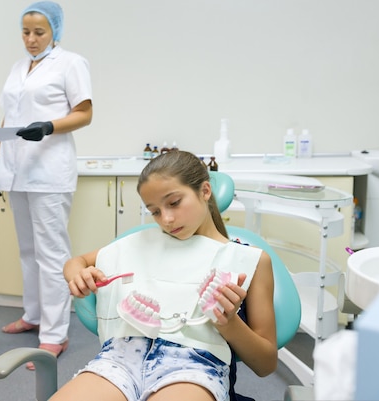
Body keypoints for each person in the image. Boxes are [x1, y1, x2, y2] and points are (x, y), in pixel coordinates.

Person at [55, 151, 277, 401]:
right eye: (155, 211)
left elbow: (266, 364)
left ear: (205, 191)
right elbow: (77, 262)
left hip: (192, 366)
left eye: (173, 203)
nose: (167, 220)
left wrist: (229, 323)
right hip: (118, 359)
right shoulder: (139, 243)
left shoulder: (246, 260)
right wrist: (77, 274)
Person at [0, 0, 93, 370]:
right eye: (25, 31)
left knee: (52, 256)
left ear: (55, 31)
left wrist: (49, 126)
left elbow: (84, 112)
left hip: (49, 172)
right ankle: (33, 315)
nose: (31, 39)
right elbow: (12, 113)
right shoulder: (19, 67)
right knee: (26, 250)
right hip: (16, 170)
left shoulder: (71, 63)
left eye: (39, 32)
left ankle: (54, 335)